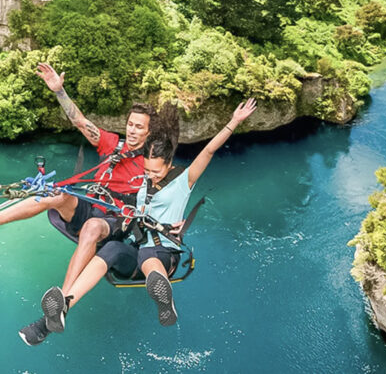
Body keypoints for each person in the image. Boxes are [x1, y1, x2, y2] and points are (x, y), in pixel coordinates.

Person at [19, 99, 258, 345]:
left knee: (149, 257)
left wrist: (234, 122)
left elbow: (207, 151)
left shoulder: (183, 181)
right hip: (138, 248)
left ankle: (164, 298)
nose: (150, 176)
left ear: (169, 165)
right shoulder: (143, 183)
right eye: (146, 171)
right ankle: (62, 309)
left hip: (164, 253)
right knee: (113, 249)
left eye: (156, 172)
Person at [0, 63, 155, 308]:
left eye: (139, 127)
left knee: (93, 226)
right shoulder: (112, 144)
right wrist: (59, 91)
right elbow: (80, 121)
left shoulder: (151, 164)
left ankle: (64, 299)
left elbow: (165, 193)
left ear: (149, 133)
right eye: (130, 124)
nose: (132, 130)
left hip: (114, 222)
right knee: (55, 193)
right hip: (90, 206)